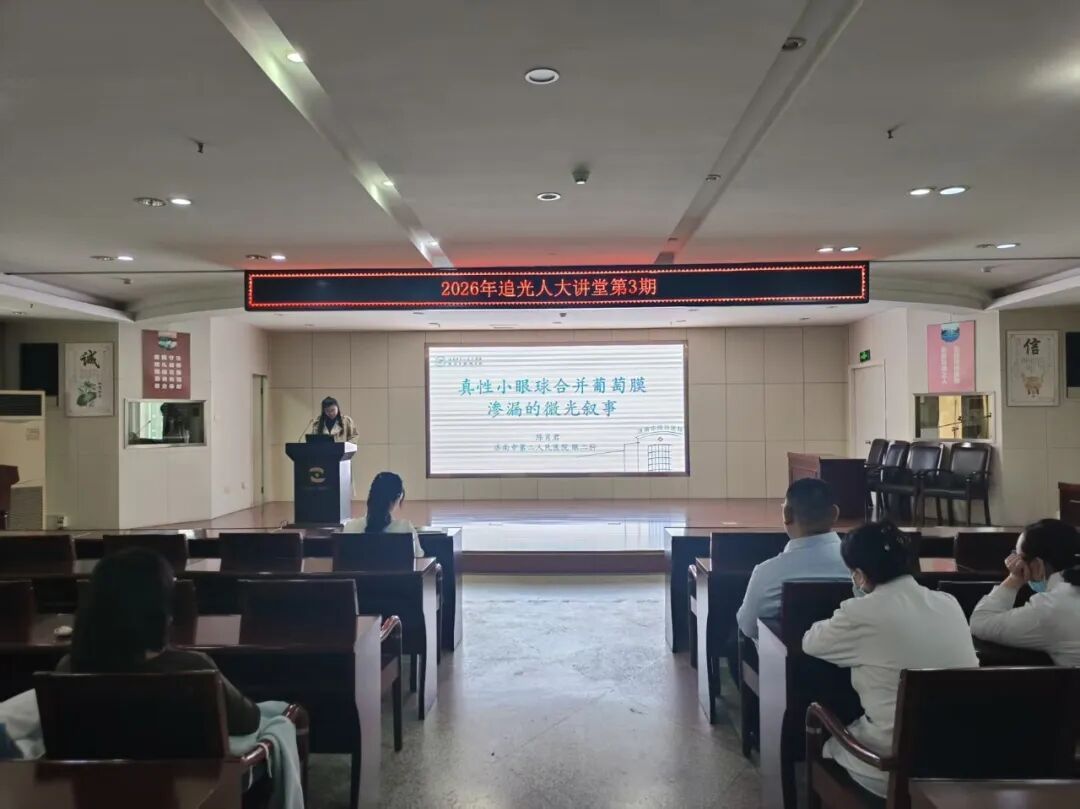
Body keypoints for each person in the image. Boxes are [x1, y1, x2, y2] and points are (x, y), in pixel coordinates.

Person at [803, 521, 978, 798]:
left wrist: (858, 601)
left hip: (892, 766)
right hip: (958, 759)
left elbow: (811, 642)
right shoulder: (948, 602)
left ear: (859, 575)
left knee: (828, 738)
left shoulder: (862, 613)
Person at [57, 548, 260, 735]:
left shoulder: (68, 668)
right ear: (161, 610)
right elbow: (248, 720)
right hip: (184, 764)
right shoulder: (195, 668)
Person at [736, 478, 849, 639]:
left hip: (788, 655)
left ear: (787, 514)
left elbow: (748, 627)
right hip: (851, 653)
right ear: (835, 513)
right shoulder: (861, 567)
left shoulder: (768, 572)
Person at [969, 518, 1080, 665]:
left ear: (1037, 565)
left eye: (1019, 558)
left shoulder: (1051, 608)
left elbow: (980, 622)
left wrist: (1014, 578)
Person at [342, 471, 424, 557]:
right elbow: (418, 557)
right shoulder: (406, 529)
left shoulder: (350, 527)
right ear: (397, 499)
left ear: (370, 497)